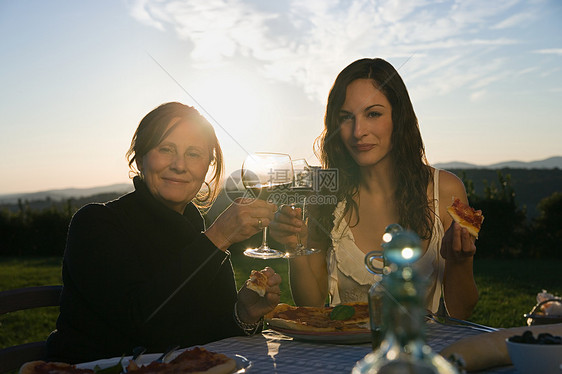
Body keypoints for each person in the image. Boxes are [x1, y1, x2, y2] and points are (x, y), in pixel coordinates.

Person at [46, 102, 281, 363]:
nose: (180, 165)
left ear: (207, 166)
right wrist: (218, 238)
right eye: (166, 149)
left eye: (194, 154)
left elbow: (207, 336)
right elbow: (141, 324)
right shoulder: (96, 223)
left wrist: (244, 314)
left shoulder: (195, 229)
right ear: (140, 157)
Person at [270, 58, 478, 319]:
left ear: (398, 118)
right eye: (346, 117)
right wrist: (295, 246)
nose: (358, 131)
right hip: (339, 354)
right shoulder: (324, 190)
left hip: (413, 353)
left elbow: (462, 311)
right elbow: (310, 304)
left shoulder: (445, 189)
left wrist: (461, 262)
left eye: (373, 114)